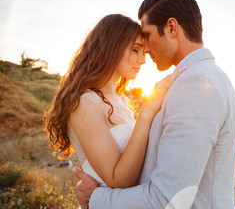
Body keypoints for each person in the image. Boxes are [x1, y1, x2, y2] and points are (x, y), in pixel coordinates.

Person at [73, 0, 235, 209]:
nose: (146, 51)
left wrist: (95, 198)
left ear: (171, 27)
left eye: (148, 36)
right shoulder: (197, 77)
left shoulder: (197, 83)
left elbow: (167, 200)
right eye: (136, 48)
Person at [43, 14, 183, 198]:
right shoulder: (85, 102)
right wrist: (147, 112)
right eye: (135, 50)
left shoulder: (121, 100)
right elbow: (119, 180)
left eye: (144, 53)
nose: (142, 60)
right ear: (111, 46)